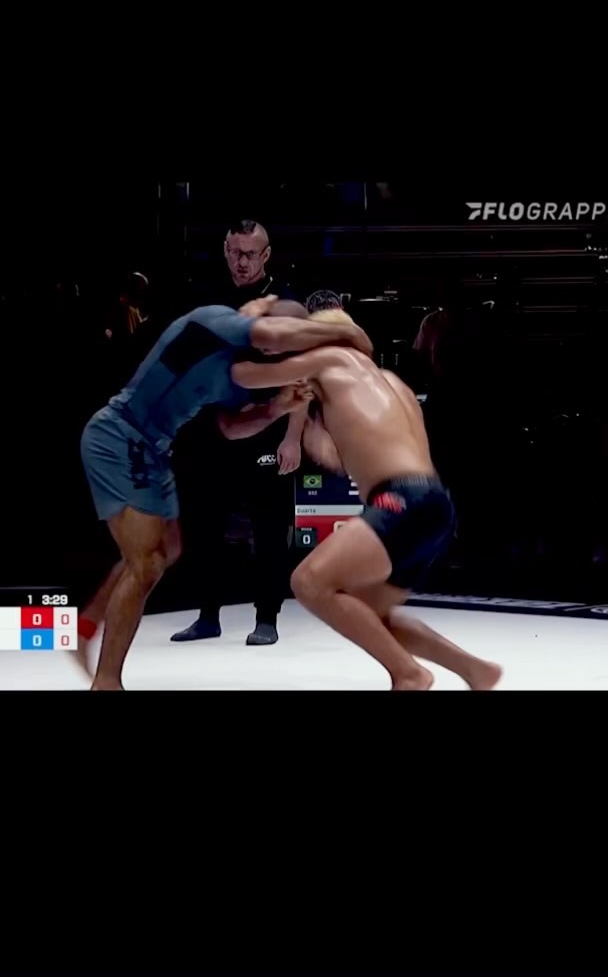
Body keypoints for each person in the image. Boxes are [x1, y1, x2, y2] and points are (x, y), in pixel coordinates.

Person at [78, 299, 373, 690]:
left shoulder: (243, 369)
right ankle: (106, 681)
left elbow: (232, 428)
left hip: (153, 449)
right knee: (146, 563)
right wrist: (345, 334)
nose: (277, 348)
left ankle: (86, 625)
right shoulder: (215, 322)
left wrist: (277, 409)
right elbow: (275, 334)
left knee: (166, 550)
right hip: (120, 437)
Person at [230, 308, 503, 691]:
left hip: (400, 500)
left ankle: (409, 674)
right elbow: (363, 455)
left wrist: (228, 334)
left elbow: (245, 375)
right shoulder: (391, 383)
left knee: (308, 582)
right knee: (372, 616)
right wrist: (316, 436)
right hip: (434, 503)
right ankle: (475, 670)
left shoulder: (329, 359)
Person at [171, 219, 308, 646]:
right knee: (203, 524)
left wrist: (293, 437)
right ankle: (207, 615)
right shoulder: (206, 299)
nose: (241, 261)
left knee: (269, 528)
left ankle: (267, 617)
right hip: (211, 427)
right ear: (225, 251)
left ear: (266, 255)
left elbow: (303, 376)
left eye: (250, 254)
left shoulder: (285, 304)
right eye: (234, 252)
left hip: (267, 426)